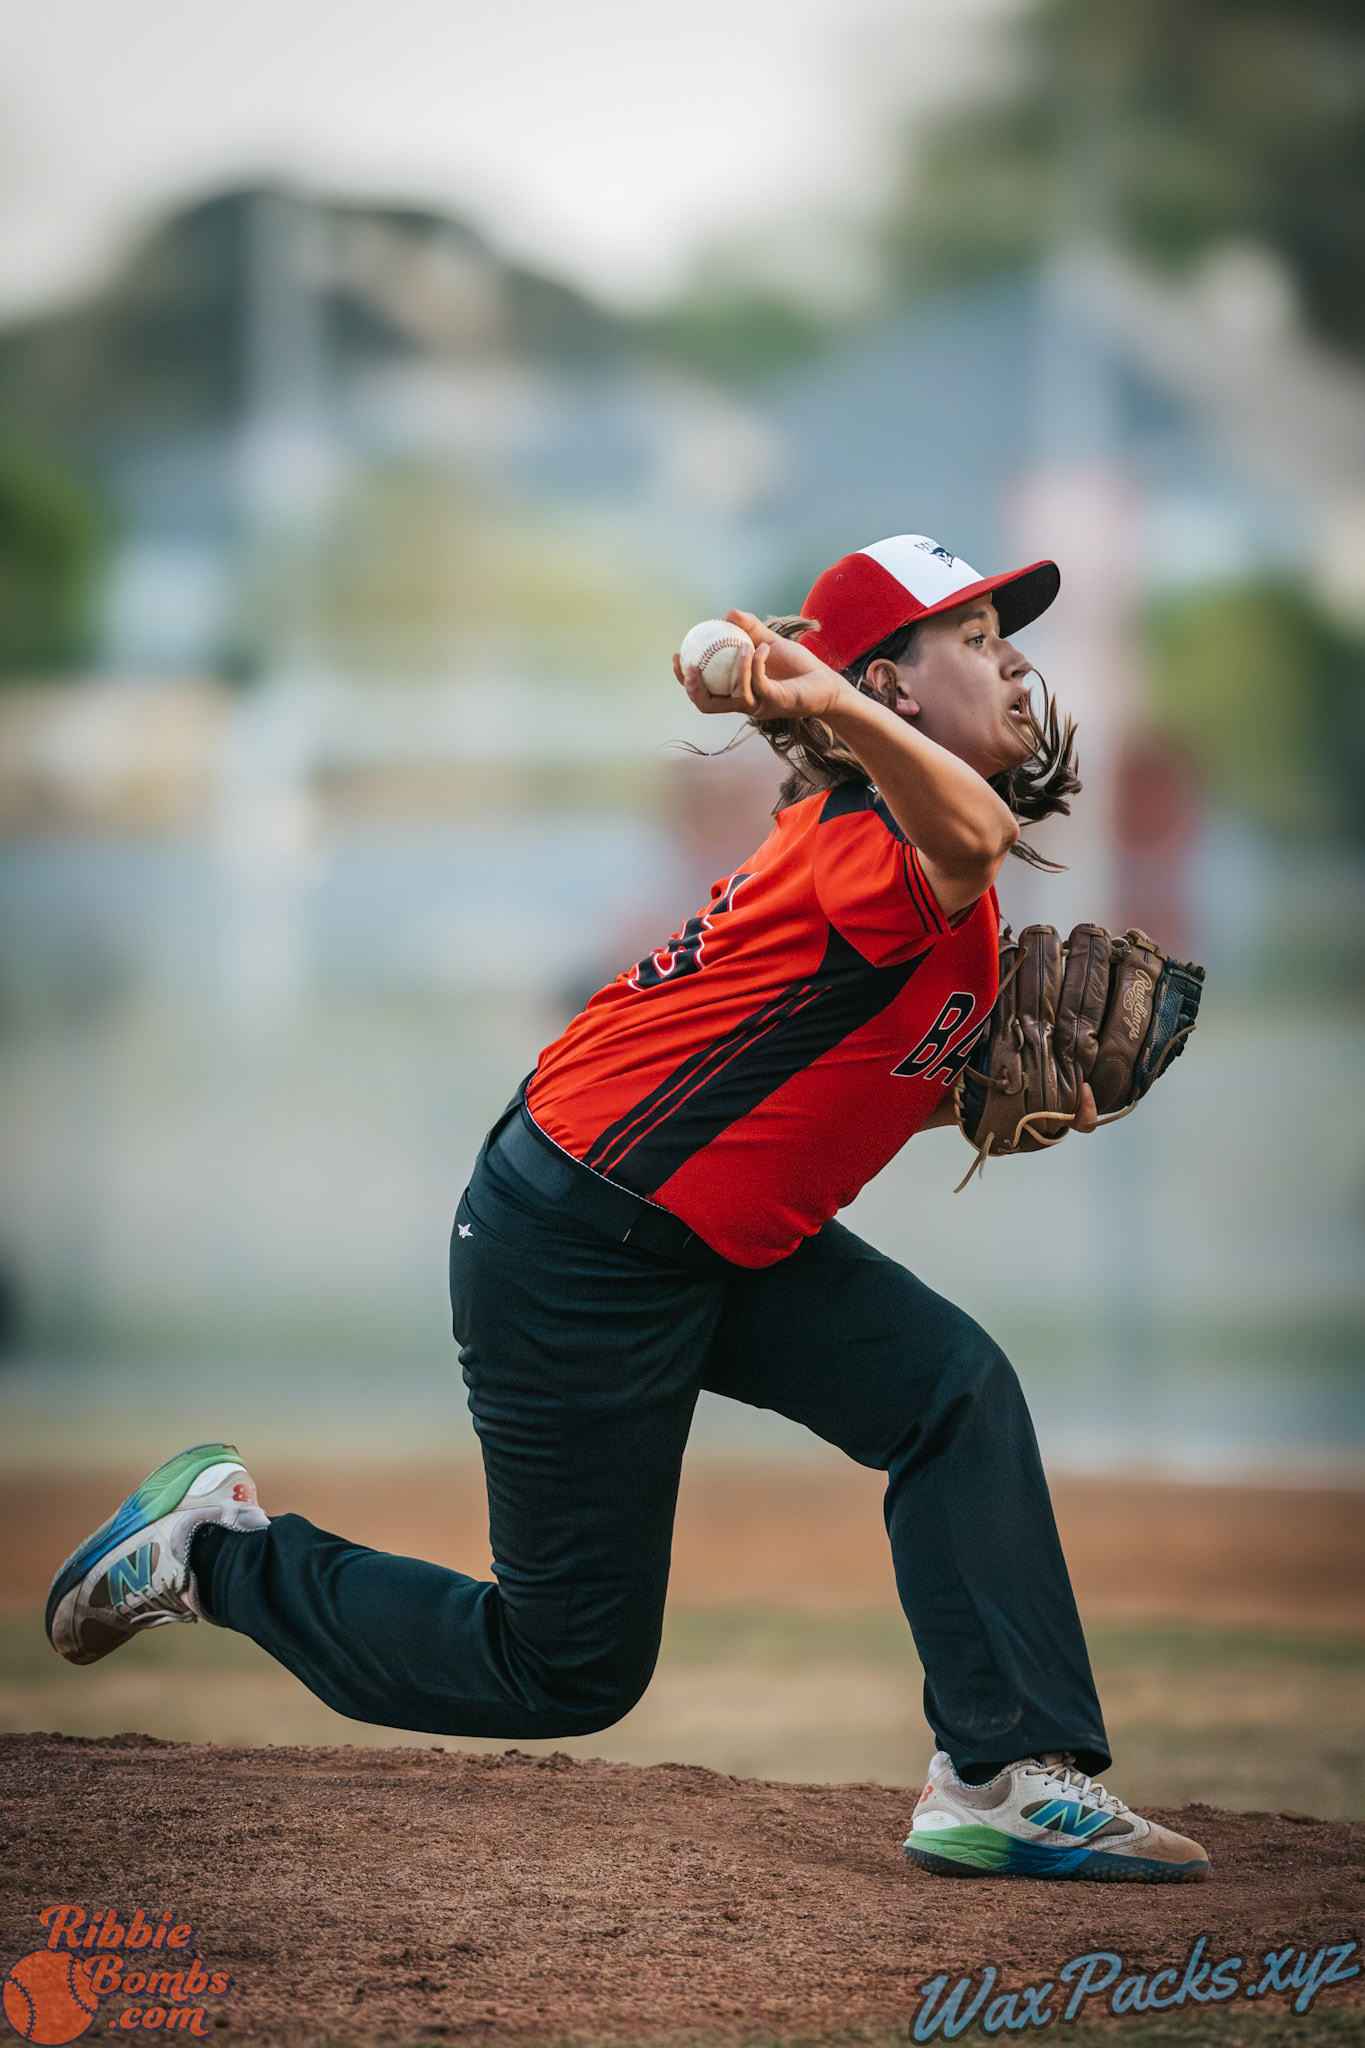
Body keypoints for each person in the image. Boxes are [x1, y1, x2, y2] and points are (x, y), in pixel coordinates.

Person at [47, 533, 1208, 1884]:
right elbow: (972, 827)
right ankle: (216, 1556)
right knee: (562, 1668)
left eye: (1008, 636)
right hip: (574, 1247)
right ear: (888, 691)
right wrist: (810, 696)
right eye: (971, 640)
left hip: (705, 1240)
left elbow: (824, 1058)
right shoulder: (883, 846)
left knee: (948, 1391)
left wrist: (962, 1092)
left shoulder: (923, 883)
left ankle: (1006, 1776)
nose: (1013, 662)